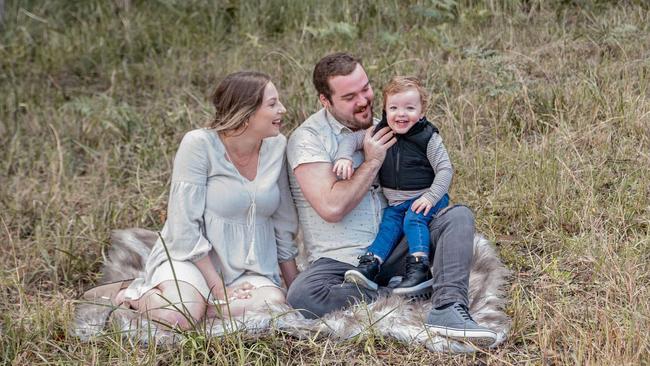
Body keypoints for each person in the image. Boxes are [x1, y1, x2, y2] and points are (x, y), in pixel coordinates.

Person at [286, 52, 497, 347]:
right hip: (341, 261)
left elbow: (436, 168)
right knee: (303, 296)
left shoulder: (389, 125)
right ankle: (405, 295)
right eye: (349, 96)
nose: (363, 100)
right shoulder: (309, 139)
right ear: (325, 100)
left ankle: (448, 307)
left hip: (397, 248)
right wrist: (371, 162)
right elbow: (332, 207)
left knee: (457, 216)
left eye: (366, 88)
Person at [83, 71, 299, 329]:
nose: (283, 110)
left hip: (250, 269)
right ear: (245, 112)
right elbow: (183, 226)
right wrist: (219, 292)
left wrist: (295, 288)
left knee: (275, 303)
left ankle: (203, 308)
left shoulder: (278, 146)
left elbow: (283, 222)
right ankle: (133, 295)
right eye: (273, 104)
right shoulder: (199, 144)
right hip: (193, 261)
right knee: (178, 316)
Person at [332, 76, 452, 295]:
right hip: (397, 203)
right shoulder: (381, 131)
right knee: (388, 226)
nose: (401, 114)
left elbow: (445, 170)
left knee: (414, 219)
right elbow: (351, 140)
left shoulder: (428, 137)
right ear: (385, 111)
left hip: (426, 197)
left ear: (422, 111)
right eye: (394, 108)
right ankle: (371, 265)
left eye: (409, 108)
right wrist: (344, 157)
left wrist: (431, 197)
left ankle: (419, 268)